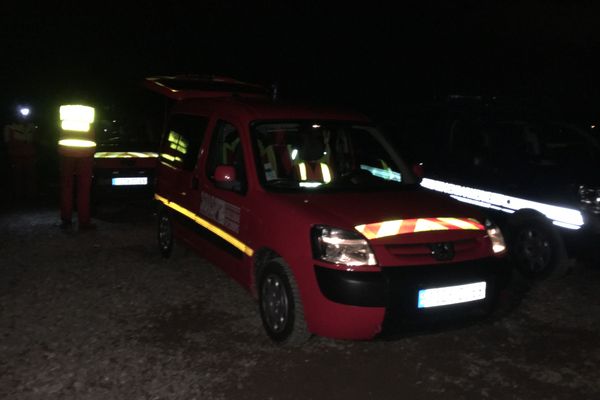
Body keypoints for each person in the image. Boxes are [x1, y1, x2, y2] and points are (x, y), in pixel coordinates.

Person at [57, 104, 96, 230]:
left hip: (66, 151)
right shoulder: (90, 110)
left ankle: (66, 220)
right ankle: (84, 222)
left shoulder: (64, 109)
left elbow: (57, 129)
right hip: (86, 153)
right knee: (84, 188)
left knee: (66, 186)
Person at [3, 107, 37, 203]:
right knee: (17, 176)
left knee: (31, 176)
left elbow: (35, 141)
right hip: (16, 156)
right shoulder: (10, 127)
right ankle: (17, 196)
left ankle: (31, 196)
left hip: (30, 155)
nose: (23, 117)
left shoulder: (32, 126)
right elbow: (7, 142)